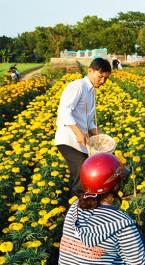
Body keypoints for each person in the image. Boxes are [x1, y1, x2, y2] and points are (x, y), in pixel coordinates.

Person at [54, 57, 111, 196]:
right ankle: (79, 208)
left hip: (80, 141)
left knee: (91, 170)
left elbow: (88, 121)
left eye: (106, 78)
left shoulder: (91, 91)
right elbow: (64, 111)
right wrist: (78, 132)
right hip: (68, 139)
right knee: (82, 169)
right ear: (90, 71)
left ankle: (89, 202)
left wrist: (98, 134)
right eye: (100, 76)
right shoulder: (78, 86)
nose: (102, 81)